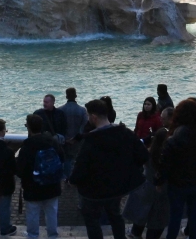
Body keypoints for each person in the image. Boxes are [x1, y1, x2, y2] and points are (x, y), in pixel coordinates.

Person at [70, 98, 150, 239]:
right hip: (117, 188)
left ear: (93, 117)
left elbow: (80, 168)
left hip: (93, 192)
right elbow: (143, 155)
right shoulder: (125, 133)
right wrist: (127, 170)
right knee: (115, 216)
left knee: (92, 220)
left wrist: (73, 180)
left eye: (88, 115)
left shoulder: (90, 140)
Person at [159, 99, 196, 239]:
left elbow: (165, 162)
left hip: (178, 182)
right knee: (195, 212)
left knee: (175, 215)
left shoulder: (175, 137)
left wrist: (160, 180)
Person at [124, 108, 171, 239]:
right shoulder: (170, 155)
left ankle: (135, 234)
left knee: (141, 213)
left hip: (147, 187)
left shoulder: (149, 154)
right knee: (157, 220)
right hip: (163, 190)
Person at [16, 114, 63, 239]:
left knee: (32, 213)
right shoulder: (52, 142)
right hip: (52, 184)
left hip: (32, 186)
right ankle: (52, 235)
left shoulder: (27, 147)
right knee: (52, 212)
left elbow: (20, 170)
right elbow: (61, 159)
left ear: (29, 128)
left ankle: (33, 235)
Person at [59, 87, 88, 180]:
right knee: (76, 159)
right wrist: (76, 138)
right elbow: (84, 126)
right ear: (76, 95)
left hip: (65, 139)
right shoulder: (82, 110)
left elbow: (59, 126)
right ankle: (75, 178)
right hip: (77, 140)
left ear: (66, 96)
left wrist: (65, 139)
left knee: (66, 159)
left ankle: (67, 178)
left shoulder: (61, 110)